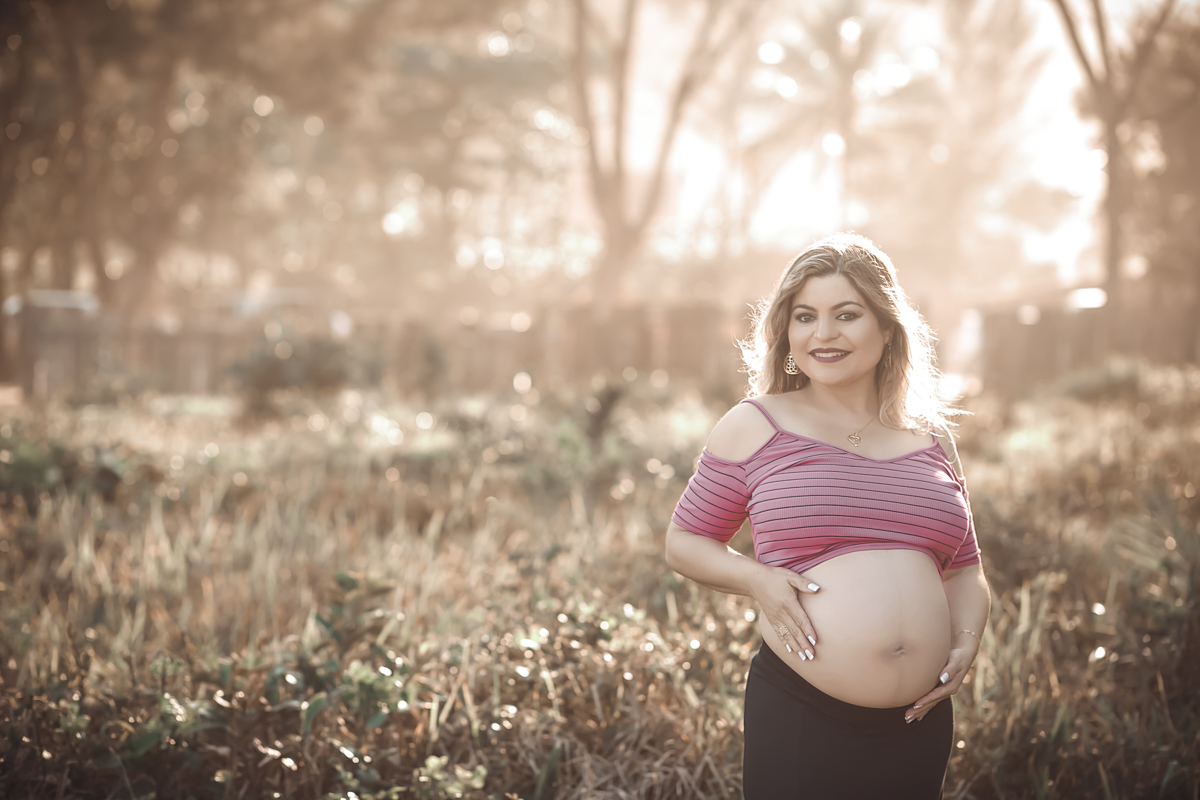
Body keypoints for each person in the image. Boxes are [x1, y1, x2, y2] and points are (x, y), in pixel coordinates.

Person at [664, 233, 991, 799]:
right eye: (805, 316)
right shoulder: (755, 425)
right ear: (787, 333)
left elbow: (965, 570)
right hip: (802, 714)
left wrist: (966, 638)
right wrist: (757, 580)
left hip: (920, 719)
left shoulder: (931, 438)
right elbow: (684, 541)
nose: (824, 333)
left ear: (886, 328)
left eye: (847, 314)